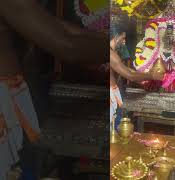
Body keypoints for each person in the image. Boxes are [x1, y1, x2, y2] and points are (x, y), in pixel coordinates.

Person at [0, 0, 107, 179]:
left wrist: (114, 40)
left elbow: (53, 25)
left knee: (24, 167)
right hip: (4, 100)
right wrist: (124, 50)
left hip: (13, 93)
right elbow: (67, 46)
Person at [110, 26, 164, 128]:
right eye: (123, 38)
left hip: (115, 92)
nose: (124, 42)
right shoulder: (111, 55)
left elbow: (127, 70)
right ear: (116, 37)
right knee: (114, 129)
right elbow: (131, 76)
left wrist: (144, 77)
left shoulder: (114, 53)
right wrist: (152, 75)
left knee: (115, 126)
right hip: (111, 95)